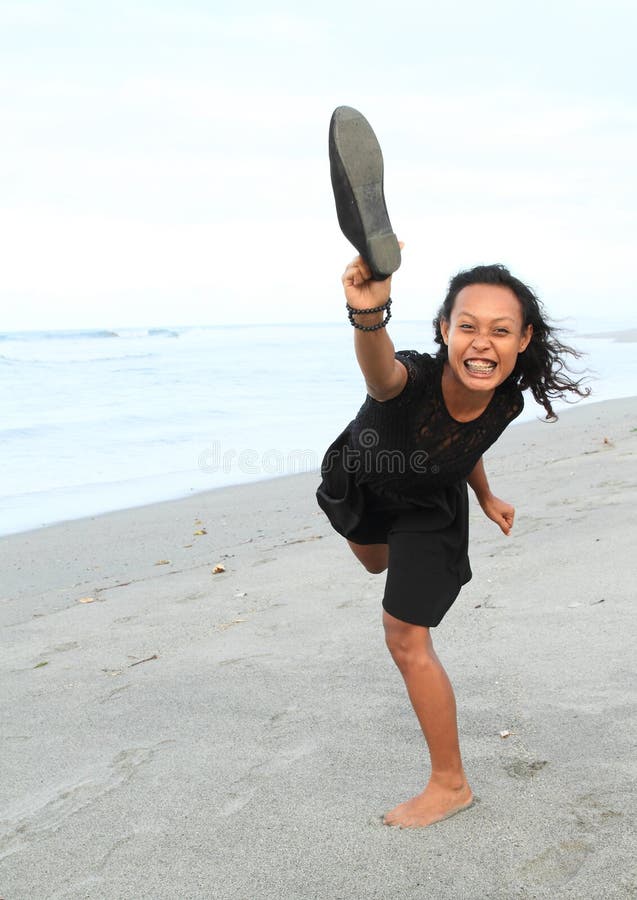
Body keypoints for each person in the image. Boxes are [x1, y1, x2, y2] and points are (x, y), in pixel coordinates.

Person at [317, 107, 590, 829]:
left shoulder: (503, 401)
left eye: (501, 331)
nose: (482, 340)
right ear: (441, 331)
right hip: (357, 478)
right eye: (467, 325)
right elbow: (379, 378)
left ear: (522, 341)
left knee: (404, 636)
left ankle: (450, 784)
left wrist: (488, 494)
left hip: (427, 504)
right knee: (371, 564)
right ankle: (379, 549)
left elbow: (464, 446)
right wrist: (368, 318)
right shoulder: (407, 373)